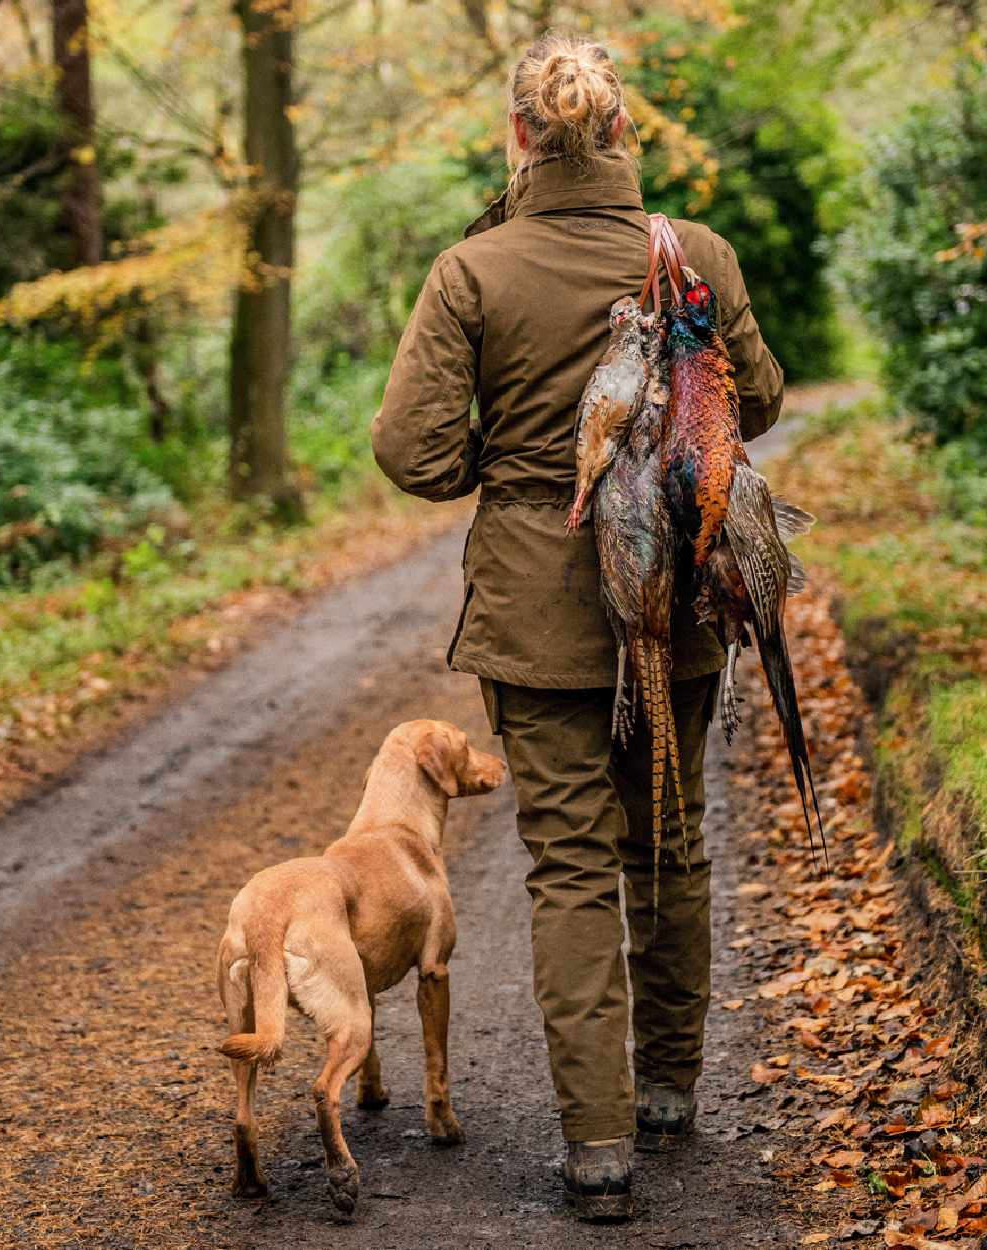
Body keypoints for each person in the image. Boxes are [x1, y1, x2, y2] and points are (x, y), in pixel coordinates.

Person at [371, 30, 782, 1223]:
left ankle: (597, 1146)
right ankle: (666, 1092)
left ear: (518, 137)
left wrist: (496, 475)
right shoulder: (692, 252)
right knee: (669, 837)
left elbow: (407, 445)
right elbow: (755, 400)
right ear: (622, 132)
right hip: (678, 602)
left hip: (535, 607)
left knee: (567, 867)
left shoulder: (472, 271)